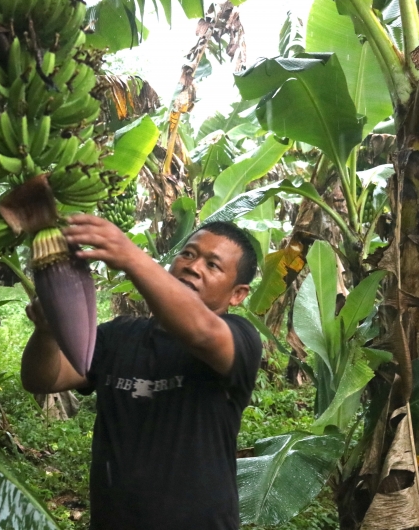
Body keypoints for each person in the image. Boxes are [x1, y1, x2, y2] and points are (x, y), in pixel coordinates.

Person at [21, 214, 262, 530]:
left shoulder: (239, 338)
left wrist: (130, 256)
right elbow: (44, 378)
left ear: (238, 294)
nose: (193, 266)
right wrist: (47, 332)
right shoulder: (118, 336)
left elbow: (202, 332)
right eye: (188, 254)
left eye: (212, 265)